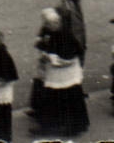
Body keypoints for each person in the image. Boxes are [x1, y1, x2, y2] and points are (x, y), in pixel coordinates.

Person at [28, 8, 88, 138]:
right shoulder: (52, 31)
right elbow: (46, 45)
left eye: (50, 24)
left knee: (67, 99)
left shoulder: (65, 35)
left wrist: (51, 58)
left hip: (66, 72)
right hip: (56, 72)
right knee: (52, 98)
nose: (47, 27)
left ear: (56, 22)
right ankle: (49, 125)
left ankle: (72, 127)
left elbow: (68, 57)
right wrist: (46, 54)